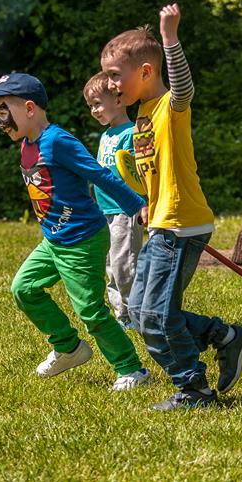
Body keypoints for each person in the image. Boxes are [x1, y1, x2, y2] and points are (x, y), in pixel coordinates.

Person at [100, 3, 242, 410]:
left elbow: (184, 89)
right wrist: (146, 203)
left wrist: (169, 37)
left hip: (182, 225)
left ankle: (194, 389)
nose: (109, 84)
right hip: (161, 224)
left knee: (157, 315)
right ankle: (225, 336)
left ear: (145, 72)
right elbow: (154, 170)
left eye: (115, 75)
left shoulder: (170, 106)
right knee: (139, 311)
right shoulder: (142, 116)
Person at [0, 72, 151, 391]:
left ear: (29, 108)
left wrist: (137, 206)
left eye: (2, 111)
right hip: (54, 241)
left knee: (91, 312)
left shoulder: (58, 141)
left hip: (82, 240)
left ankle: (132, 370)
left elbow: (100, 174)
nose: (0, 122)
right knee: (23, 289)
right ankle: (69, 348)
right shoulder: (27, 144)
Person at [83, 71, 144, 330]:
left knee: (124, 265)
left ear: (118, 100)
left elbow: (137, 173)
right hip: (106, 209)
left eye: (97, 104)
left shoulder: (131, 133)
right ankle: (122, 315)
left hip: (125, 209)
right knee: (110, 264)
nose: (94, 111)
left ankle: (138, 314)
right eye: (90, 106)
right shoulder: (106, 135)